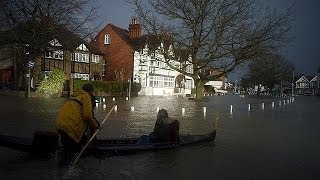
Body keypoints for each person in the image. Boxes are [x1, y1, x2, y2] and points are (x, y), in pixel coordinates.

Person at [56, 83, 100, 165]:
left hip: (60, 124)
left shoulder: (75, 97)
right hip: (71, 126)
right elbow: (87, 116)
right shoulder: (87, 97)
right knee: (71, 159)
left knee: (66, 153)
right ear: (91, 91)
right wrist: (96, 124)